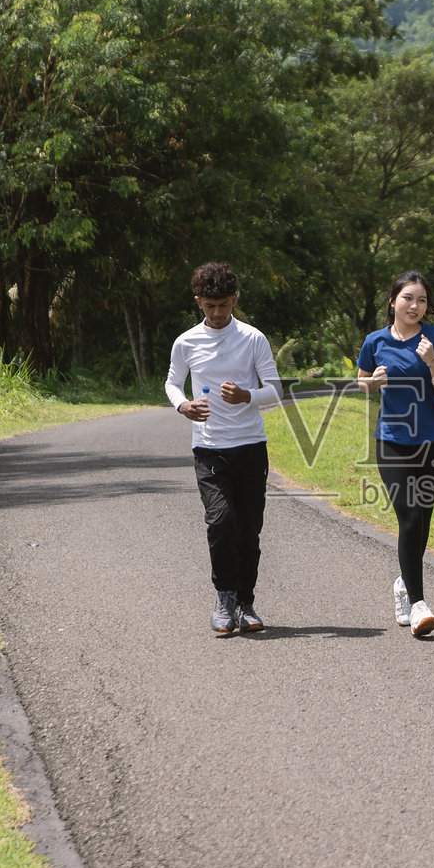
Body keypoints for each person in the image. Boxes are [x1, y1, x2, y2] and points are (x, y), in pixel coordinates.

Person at [165, 262, 281, 635]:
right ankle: (224, 597)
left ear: (235, 300)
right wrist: (183, 405)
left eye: (225, 305)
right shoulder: (186, 342)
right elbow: (171, 383)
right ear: (199, 302)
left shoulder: (253, 339)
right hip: (210, 447)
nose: (218, 314)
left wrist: (248, 395)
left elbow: (276, 390)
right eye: (211, 306)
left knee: (248, 529)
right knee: (220, 521)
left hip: (250, 446)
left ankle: (246, 604)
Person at [356, 271, 434, 637]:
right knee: (410, 518)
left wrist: (432, 363)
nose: (415, 306)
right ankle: (418, 604)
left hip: (432, 441)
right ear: (392, 301)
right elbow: (362, 380)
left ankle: (403, 584)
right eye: (408, 298)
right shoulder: (375, 340)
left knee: (423, 521)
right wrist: (372, 383)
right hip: (392, 441)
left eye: (422, 300)